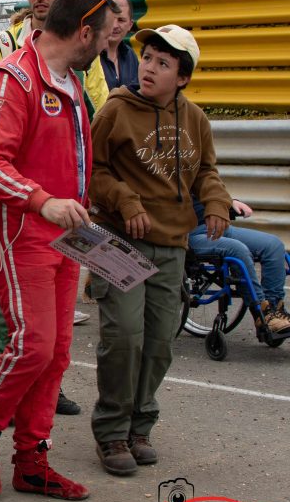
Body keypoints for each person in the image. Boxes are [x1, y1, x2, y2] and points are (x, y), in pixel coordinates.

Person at [0, 0, 119, 502]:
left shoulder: (71, 82)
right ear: (85, 32)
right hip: (23, 236)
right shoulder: (13, 79)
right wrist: (41, 201)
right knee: (32, 348)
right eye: (107, 31)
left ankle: (32, 459)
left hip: (71, 238)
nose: (111, 42)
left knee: (57, 355)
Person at [88, 24, 231, 476]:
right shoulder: (115, 110)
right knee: (123, 337)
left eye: (162, 63)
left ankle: (140, 426)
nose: (148, 68)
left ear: (182, 77)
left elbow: (205, 170)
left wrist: (217, 200)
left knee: (158, 343)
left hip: (171, 245)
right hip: (116, 240)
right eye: (147, 57)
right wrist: (125, 200)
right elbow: (90, 169)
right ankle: (111, 433)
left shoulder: (196, 120)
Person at [188, 198, 290, 333]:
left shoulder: (200, 176)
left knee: (273, 245)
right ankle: (262, 313)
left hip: (217, 225)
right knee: (237, 249)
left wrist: (229, 201)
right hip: (189, 233)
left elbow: (211, 187)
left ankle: (274, 308)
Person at [100, 0, 138, 91]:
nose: (115, 25)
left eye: (121, 20)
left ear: (130, 25)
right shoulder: (90, 55)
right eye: (111, 18)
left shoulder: (131, 56)